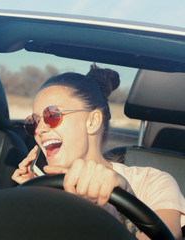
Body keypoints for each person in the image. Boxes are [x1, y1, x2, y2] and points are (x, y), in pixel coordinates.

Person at [12, 64, 185, 240]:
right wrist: (32, 198)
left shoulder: (151, 182)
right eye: (33, 122)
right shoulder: (40, 186)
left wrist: (114, 210)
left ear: (93, 121)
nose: (39, 130)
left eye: (51, 116)